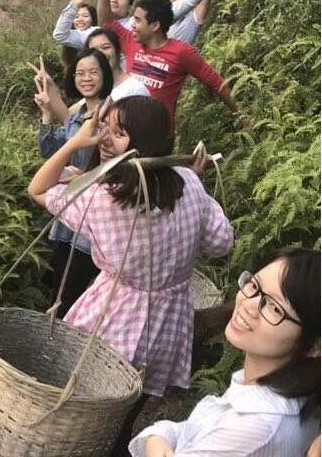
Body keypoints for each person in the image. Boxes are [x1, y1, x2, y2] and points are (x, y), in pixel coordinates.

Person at [28, 96, 234, 399]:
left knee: (87, 395)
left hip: (115, 318)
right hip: (170, 324)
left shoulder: (104, 199)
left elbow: (38, 189)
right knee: (136, 397)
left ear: (144, 142)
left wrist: (75, 143)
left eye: (119, 133)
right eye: (104, 128)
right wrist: (199, 188)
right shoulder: (189, 183)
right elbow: (221, 243)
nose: (104, 139)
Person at [129, 249, 321, 457]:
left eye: (275, 308)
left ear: (314, 346)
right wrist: (159, 437)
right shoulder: (287, 399)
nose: (249, 305)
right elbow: (191, 431)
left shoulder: (254, 427)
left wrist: (157, 438)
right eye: (254, 286)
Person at [34, 48, 113, 316]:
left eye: (93, 72)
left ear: (105, 75)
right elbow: (50, 153)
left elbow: (120, 162)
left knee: (76, 292)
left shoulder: (113, 115)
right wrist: (46, 113)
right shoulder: (77, 115)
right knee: (59, 284)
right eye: (80, 73)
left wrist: (84, 175)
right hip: (67, 213)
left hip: (93, 215)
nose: (86, 78)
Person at [101, 0, 236, 129]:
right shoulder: (131, 41)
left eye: (138, 20)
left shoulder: (182, 52)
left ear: (155, 25)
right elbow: (106, 22)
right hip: (124, 129)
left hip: (157, 133)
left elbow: (218, 85)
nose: (133, 26)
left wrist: (241, 116)